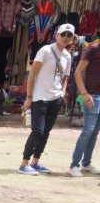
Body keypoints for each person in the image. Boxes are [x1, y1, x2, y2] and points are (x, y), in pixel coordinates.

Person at [19, 23, 75, 175]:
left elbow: (65, 78)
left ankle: (35, 162)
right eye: (63, 34)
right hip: (40, 98)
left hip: (55, 99)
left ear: (72, 39)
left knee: (46, 132)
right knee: (37, 130)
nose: (65, 38)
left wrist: (62, 93)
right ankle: (24, 164)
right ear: (57, 35)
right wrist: (29, 97)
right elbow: (32, 75)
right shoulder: (46, 51)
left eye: (69, 35)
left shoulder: (67, 56)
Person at [68, 37, 100, 177]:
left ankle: (86, 163)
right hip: (92, 95)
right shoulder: (93, 48)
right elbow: (78, 72)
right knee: (88, 131)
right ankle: (74, 165)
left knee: (94, 133)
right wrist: (84, 93)